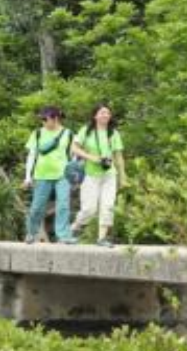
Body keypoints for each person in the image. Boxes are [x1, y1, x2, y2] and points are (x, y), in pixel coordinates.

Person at [71, 104, 126, 247]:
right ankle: (74, 228)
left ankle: (101, 239)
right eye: (102, 113)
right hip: (91, 175)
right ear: (95, 116)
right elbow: (74, 148)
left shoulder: (113, 133)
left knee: (108, 207)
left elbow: (118, 156)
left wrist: (123, 176)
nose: (106, 115)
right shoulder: (86, 130)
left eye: (108, 113)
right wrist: (91, 157)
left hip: (109, 175)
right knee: (89, 209)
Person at [22, 106, 76, 244]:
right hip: (42, 175)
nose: (43, 122)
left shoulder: (68, 134)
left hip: (63, 174)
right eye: (42, 119)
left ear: (55, 118)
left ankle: (63, 236)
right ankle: (31, 233)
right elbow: (31, 155)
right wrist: (28, 177)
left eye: (45, 119)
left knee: (63, 205)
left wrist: (74, 172)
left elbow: (74, 155)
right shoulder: (37, 133)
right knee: (37, 207)